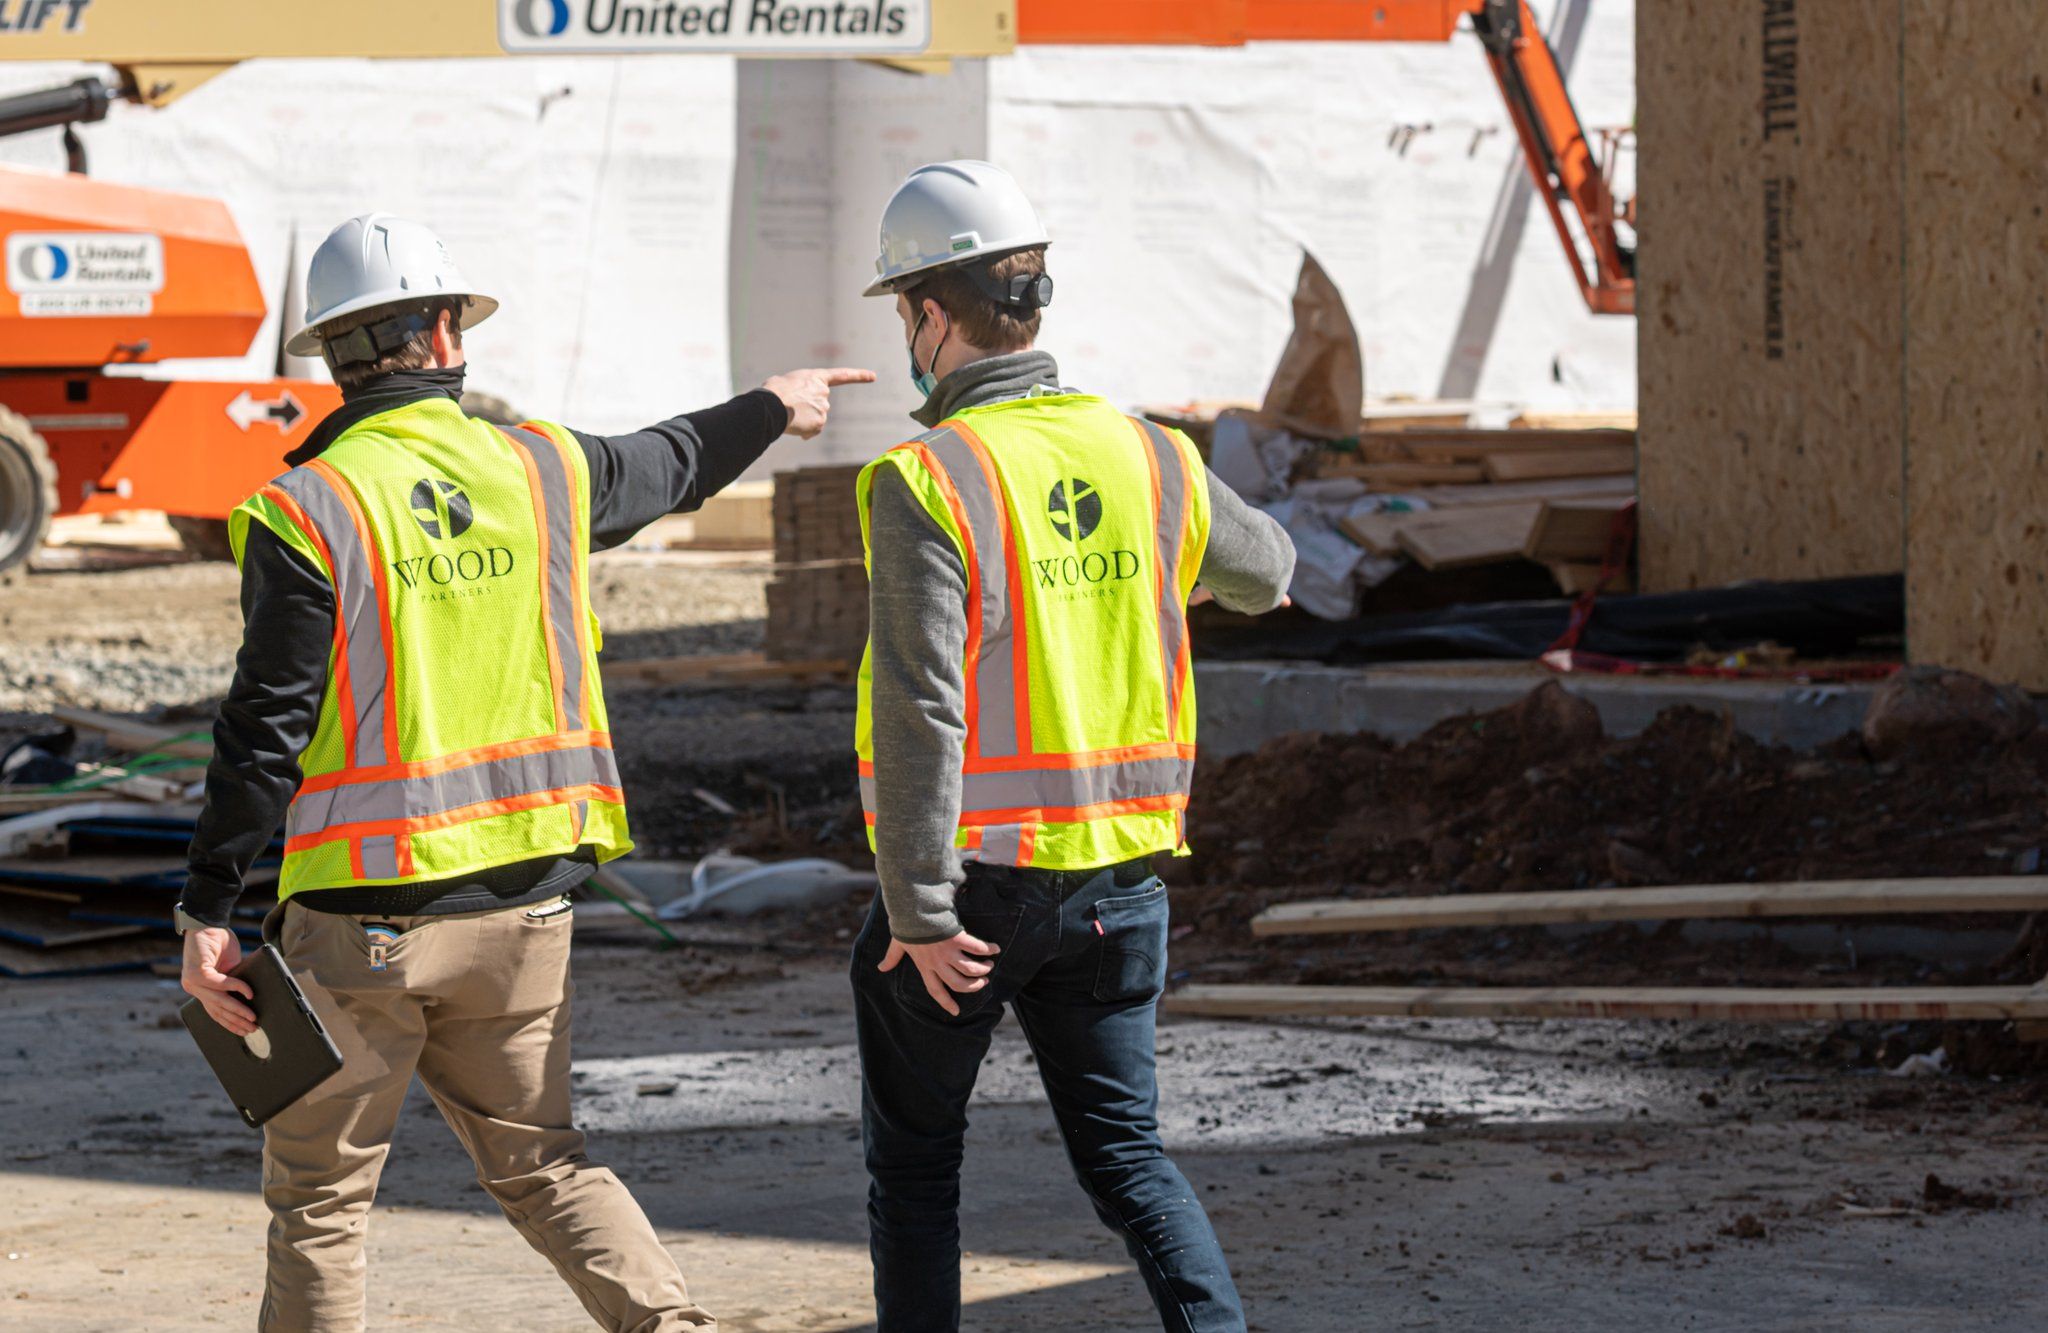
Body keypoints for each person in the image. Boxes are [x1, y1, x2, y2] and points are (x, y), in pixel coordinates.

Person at [175, 211, 871, 1333]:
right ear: (446, 332)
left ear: (334, 357)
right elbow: (675, 461)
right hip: (528, 908)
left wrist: (207, 904)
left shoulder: (308, 508)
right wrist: (774, 402)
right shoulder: (542, 470)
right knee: (546, 1161)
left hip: (364, 920)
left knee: (321, 1204)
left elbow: (264, 728)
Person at [848, 161, 1296, 1333]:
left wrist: (916, 913)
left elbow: (920, 704)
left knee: (914, 1175)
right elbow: (1269, 573)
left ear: (931, 316)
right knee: (1130, 1163)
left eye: (903, 312)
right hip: (1121, 885)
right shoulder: (1146, 454)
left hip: (976, 891)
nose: (908, 334)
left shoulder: (924, 476)